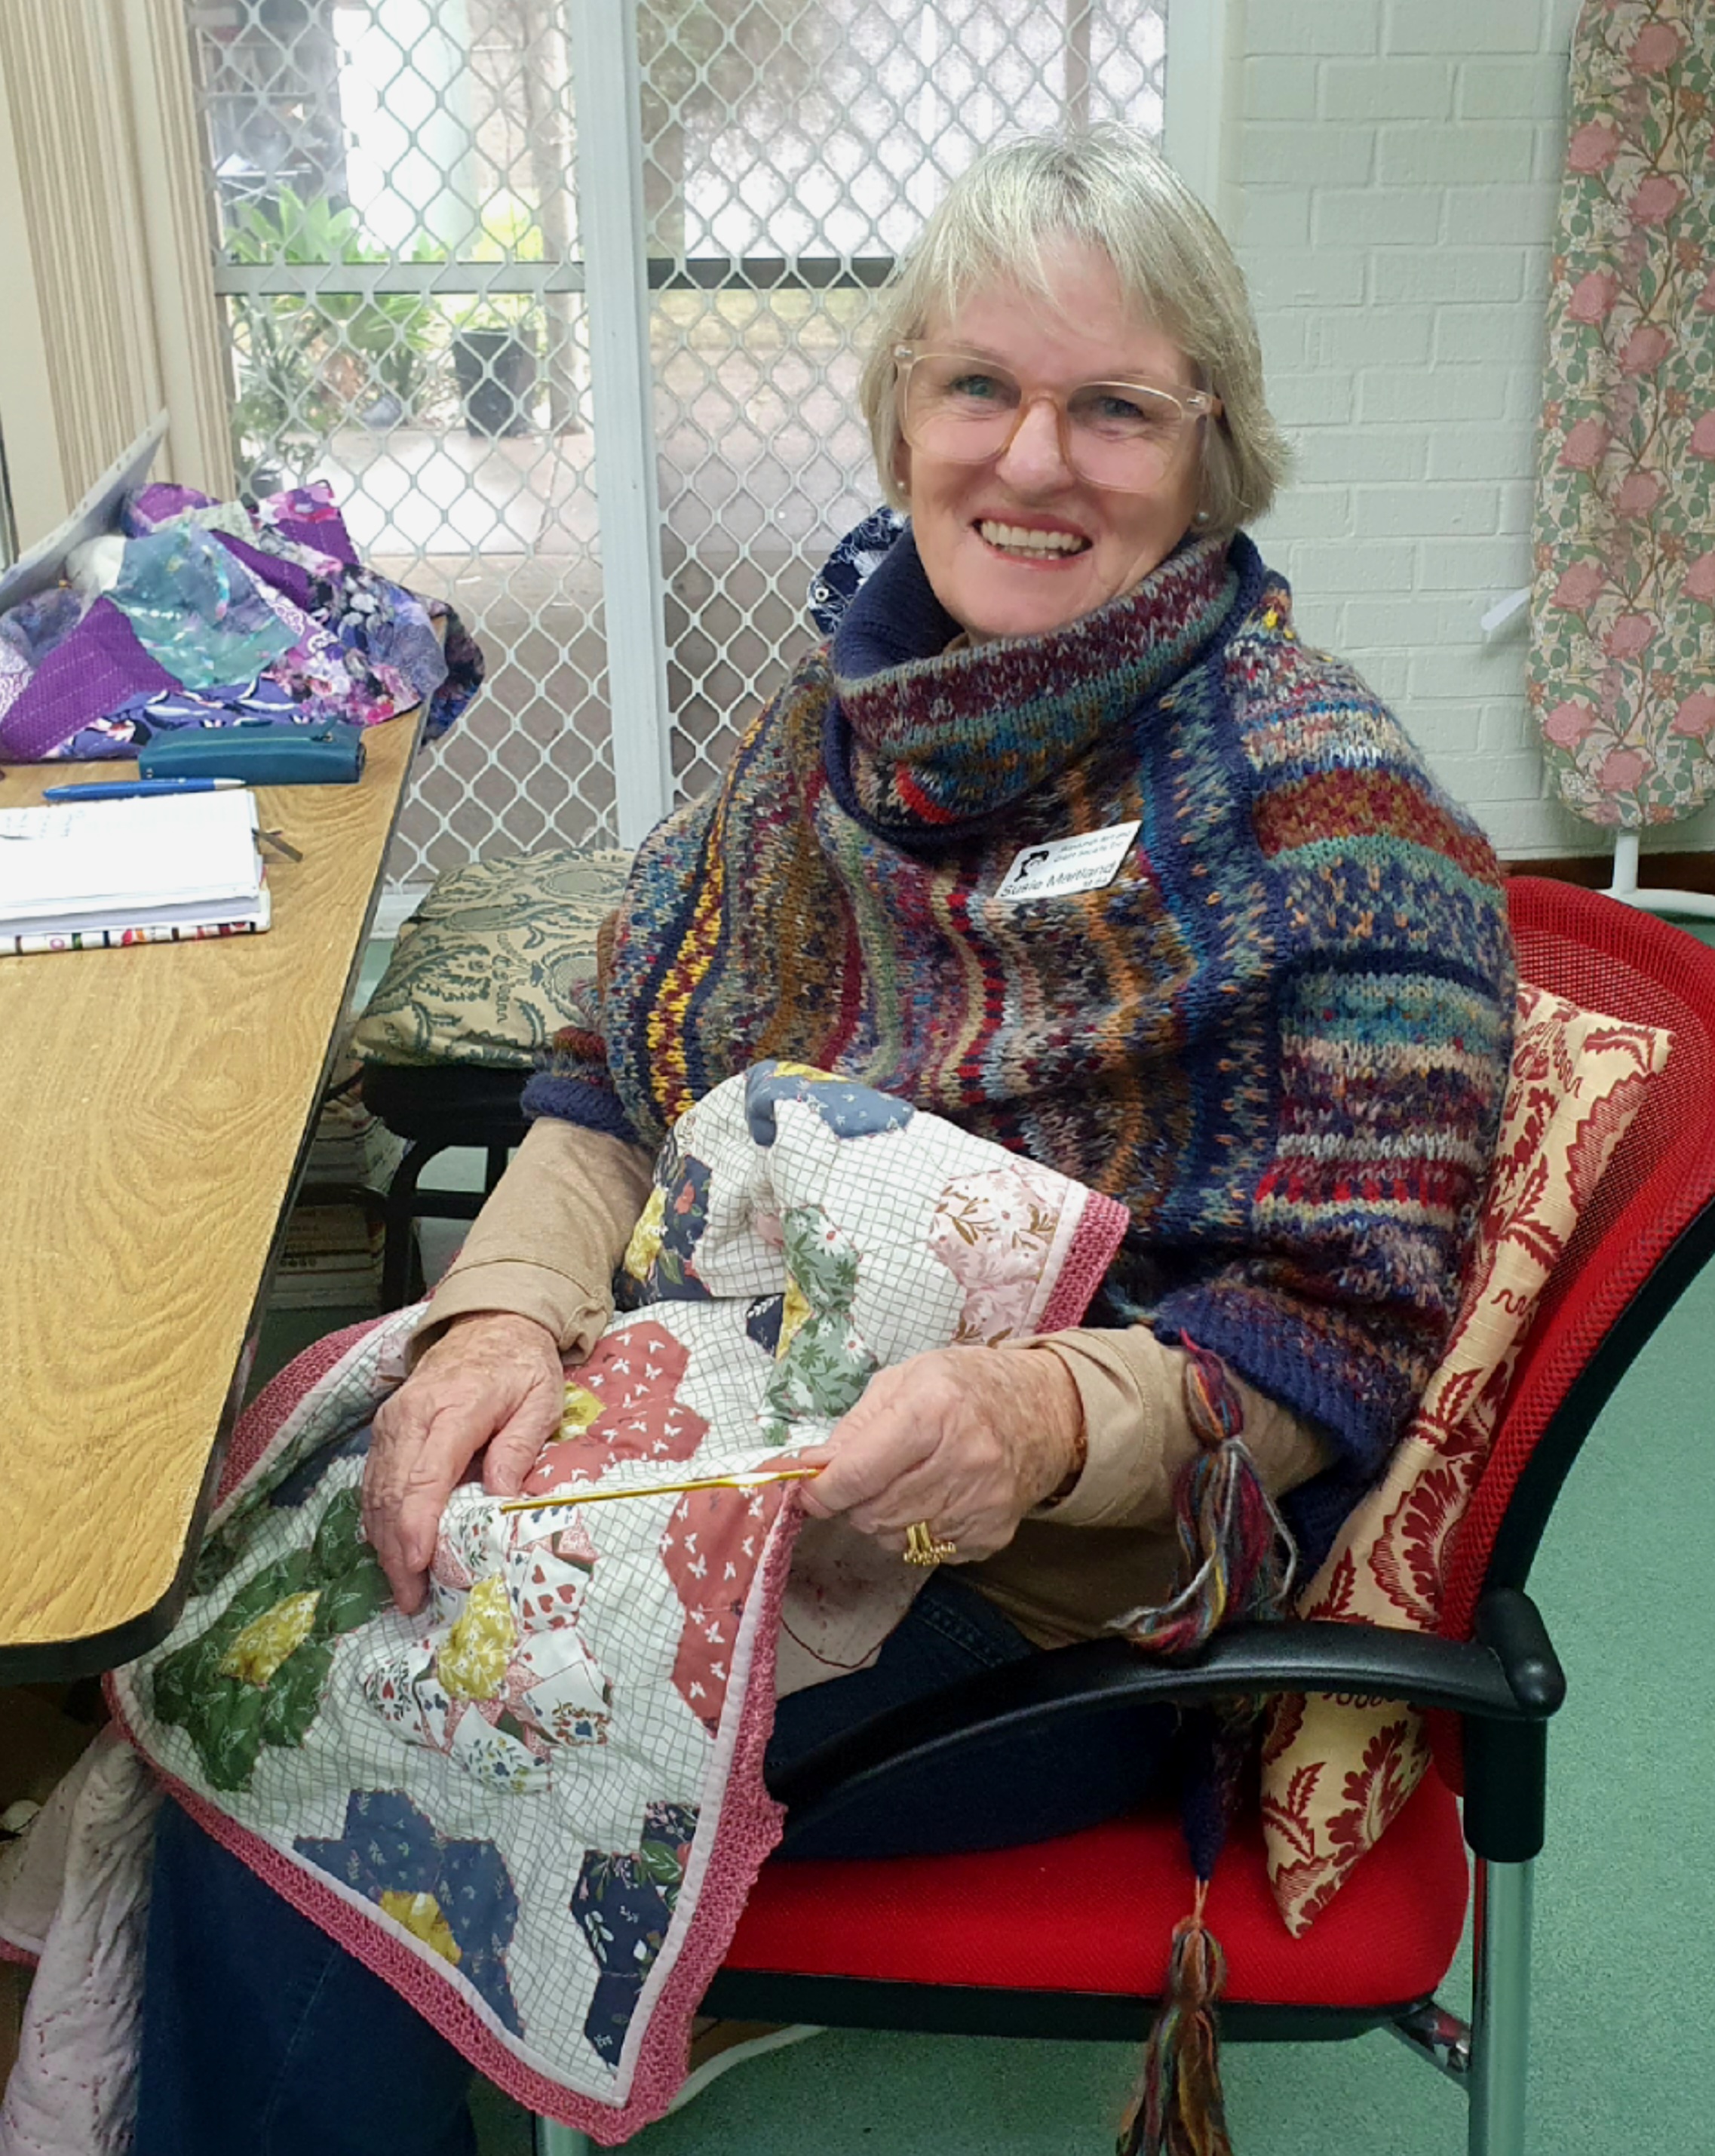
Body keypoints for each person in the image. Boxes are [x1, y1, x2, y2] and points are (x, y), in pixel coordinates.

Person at [136, 124, 1516, 2154]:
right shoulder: (828, 735)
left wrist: (1034, 1416)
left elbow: (1336, 1336)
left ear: (1210, 449)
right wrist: (501, 1316)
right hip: (725, 1428)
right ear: (898, 418)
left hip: (1055, 1611)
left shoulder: (1333, 823)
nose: (1033, 459)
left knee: (321, 1706)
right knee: (272, 1568)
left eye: (1115, 408)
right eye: (979, 386)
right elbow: (614, 1077)